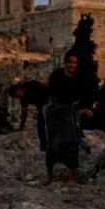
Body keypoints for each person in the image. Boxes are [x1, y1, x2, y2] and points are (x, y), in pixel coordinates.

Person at [43, 52, 96, 186]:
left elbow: (86, 95)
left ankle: (72, 177)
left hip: (70, 113)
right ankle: (49, 175)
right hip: (55, 112)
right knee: (51, 144)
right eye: (70, 62)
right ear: (65, 62)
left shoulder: (80, 78)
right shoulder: (57, 75)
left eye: (75, 63)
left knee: (72, 142)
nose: (72, 65)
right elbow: (50, 93)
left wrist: (86, 109)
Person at [9, 79, 49, 152]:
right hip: (41, 107)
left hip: (49, 100)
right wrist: (21, 126)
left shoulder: (30, 85)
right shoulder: (23, 99)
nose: (19, 95)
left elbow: (44, 86)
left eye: (17, 93)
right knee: (40, 126)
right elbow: (24, 113)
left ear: (19, 89)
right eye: (17, 96)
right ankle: (44, 147)